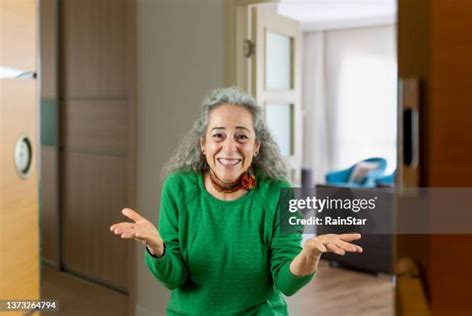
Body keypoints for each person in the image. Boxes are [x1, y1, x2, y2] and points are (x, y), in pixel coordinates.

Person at [110, 87, 363, 315]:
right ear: (203, 144)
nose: (229, 148)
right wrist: (157, 248)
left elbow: (287, 283)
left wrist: (310, 253)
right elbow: (174, 279)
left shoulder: (279, 193)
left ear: (256, 146)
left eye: (241, 137)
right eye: (218, 136)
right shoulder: (178, 187)